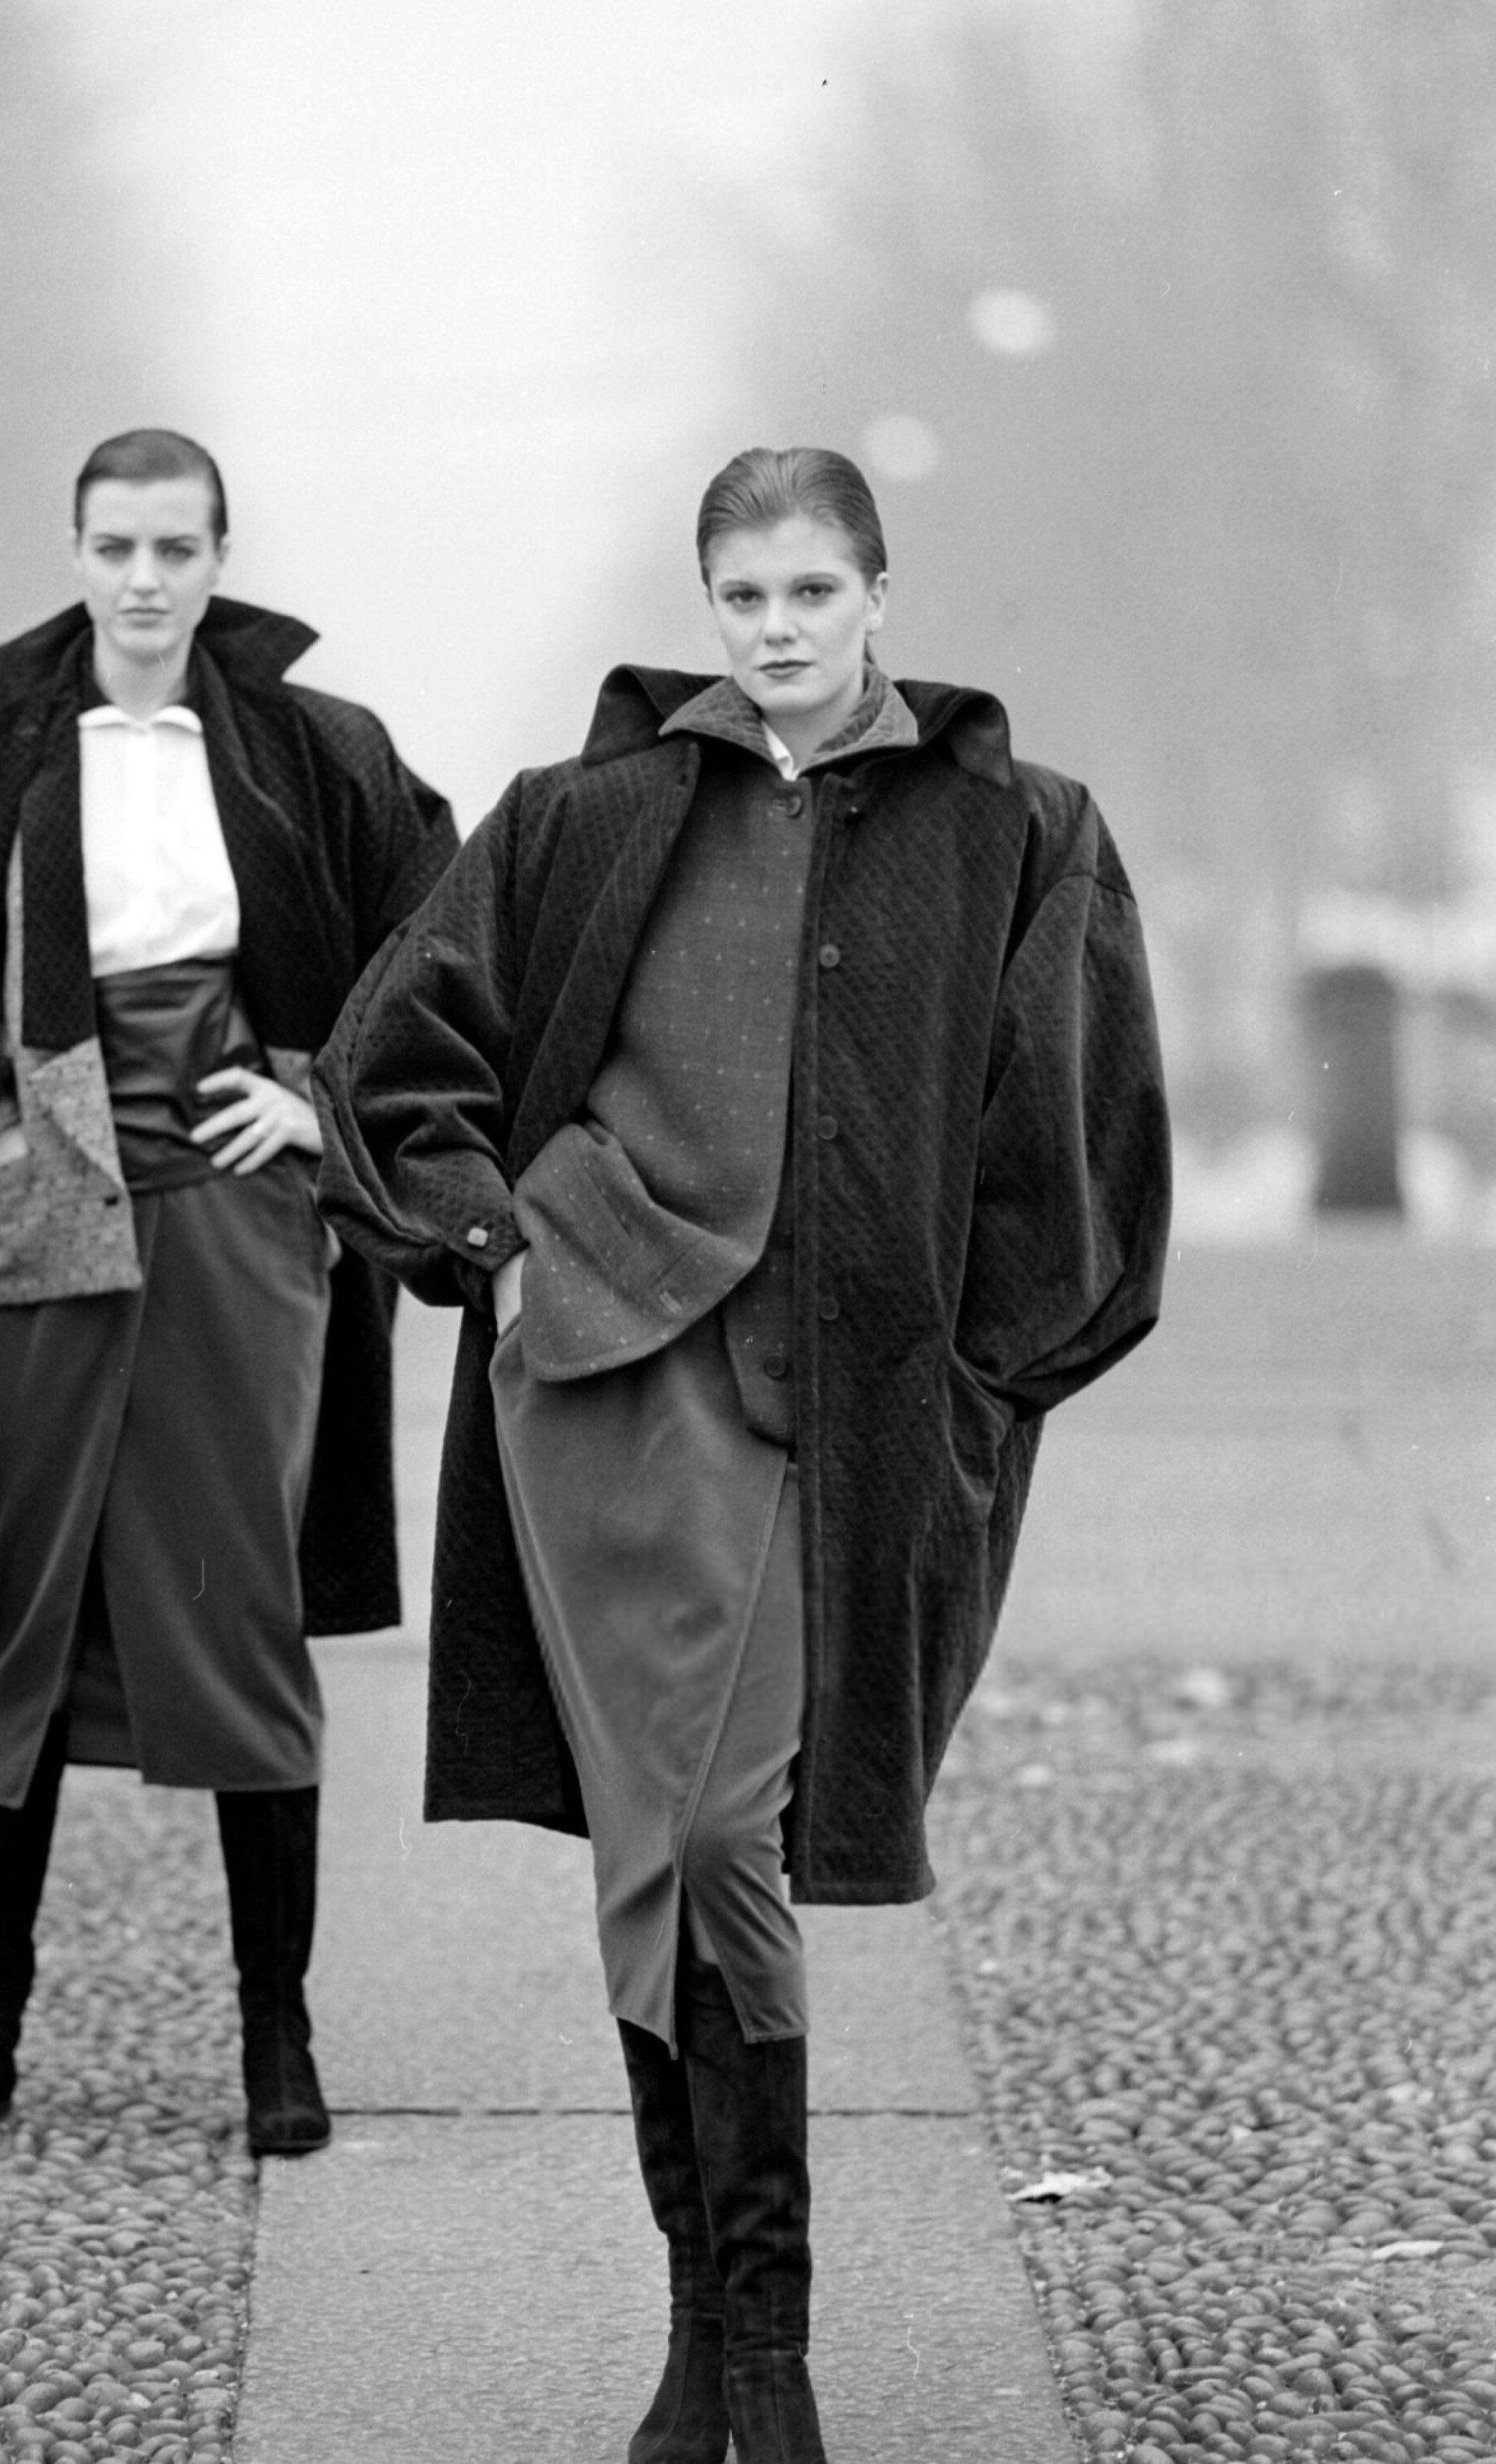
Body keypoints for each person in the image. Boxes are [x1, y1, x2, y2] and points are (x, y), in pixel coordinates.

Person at [313, 446, 1171, 2463]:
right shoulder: (584, 815)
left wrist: (972, 1381)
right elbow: (388, 1062)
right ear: (707, 607)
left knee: (715, 1840)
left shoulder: (1017, 828)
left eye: (810, 591)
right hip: (600, 1392)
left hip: (841, 1416)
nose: (777, 629)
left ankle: (755, 2345)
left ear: (878, 593)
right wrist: (492, 1249)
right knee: (661, 1852)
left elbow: (1089, 1141)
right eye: (743, 596)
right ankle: (718, 2352)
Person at [0, 427, 456, 2163]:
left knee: (240, 1593)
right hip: (37, 1190)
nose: (146, 580)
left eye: (177, 547)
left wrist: (321, 1103)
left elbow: (442, 940)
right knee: (20, 1599)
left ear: (220, 555)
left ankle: (275, 2034)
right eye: (116, 547)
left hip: (239, 1209)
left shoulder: (317, 751)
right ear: (76, 552)